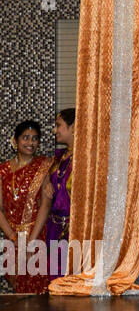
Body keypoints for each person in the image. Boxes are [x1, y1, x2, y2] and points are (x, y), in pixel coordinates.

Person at [1, 120, 55, 294]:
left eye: (35, 139)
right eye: (25, 138)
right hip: (12, 238)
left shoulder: (43, 166)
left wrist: (31, 242)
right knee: (19, 290)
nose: (31, 143)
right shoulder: (2, 171)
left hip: (37, 235)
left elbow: (46, 205)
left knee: (37, 291)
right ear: (15, 141)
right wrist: (12, 237)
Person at [39, 109, 75, 280]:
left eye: (58, 125)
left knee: (72, 278)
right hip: (54, 228)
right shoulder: (58, 157)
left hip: (74, 231)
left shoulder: (87, 159)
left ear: (74, 127)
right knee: (54, 279)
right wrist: (47, 184)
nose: (55, 130)